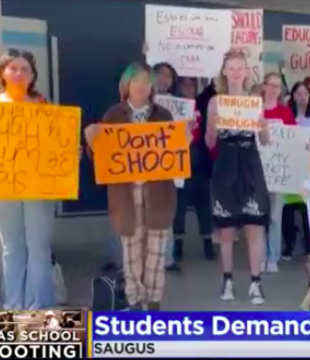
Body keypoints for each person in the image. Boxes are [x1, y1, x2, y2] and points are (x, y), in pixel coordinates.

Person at [84, 62, 175, 310]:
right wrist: (92, 143)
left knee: (156, 253)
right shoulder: (114, 115)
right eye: (136, 81)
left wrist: (183, 142)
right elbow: (101, 159)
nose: (142, 86)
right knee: (132, 254)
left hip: (158, 196)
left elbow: (174, 157)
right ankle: (136, 302)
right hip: (126, 196)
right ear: (126, 85)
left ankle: (154, 303)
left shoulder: (163, 116)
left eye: (147, 82)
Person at [0, 49, 55, 310]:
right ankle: (14, 306)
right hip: (1, 185)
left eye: (25, 69)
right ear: (2, 73)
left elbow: (56, 145)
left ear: (32, 76)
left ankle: (39, 307)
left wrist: (69, 152)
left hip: (39, 185)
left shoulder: (44, 107)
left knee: (38, 247)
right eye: (13, 68)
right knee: (12, 248)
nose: (18, 73)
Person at [206, 50, 271, 305]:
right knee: (227, 231)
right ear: (224, 71)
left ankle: (256, 283)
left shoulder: (255, 100)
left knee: (255, 227)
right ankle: (228, 280)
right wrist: (213, 126)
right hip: (225, 165)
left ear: (247, 71)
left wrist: (263, 125)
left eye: (239, 68)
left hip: (250, 164)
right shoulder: (215, 102)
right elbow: (210, 142)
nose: (235, 72)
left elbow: (265, 140)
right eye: (230, 68)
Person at [169, 76, 216, 272]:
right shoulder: (173, 105)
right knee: (179, 204)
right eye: (185, 84)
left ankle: (207, 243)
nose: (188, 88)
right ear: (179, 86)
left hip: (201, 160)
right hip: (180, 159)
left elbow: (213, 89)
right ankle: (178, 245)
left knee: (204, 203)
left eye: (192, 85)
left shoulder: (203, 102)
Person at [282, 82, 310, 260]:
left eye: (304, 94)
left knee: (309, 209)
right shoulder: (287, 115)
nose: (301, 97)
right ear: (292, 96)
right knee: (288, 209)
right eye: (297, 94)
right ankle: (289, 245)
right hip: (290, 167)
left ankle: (309, 246)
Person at [260, 72, 296, 273]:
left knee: (275, 216)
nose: (273, 89)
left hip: (278, 172)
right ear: (263, 87)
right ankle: (259, 255)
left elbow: (293, 140)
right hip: (257, 171)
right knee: (258, 217)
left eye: (277, 86)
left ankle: (272, 256)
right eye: (270, 85)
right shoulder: (254, 110)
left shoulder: (286, 113)